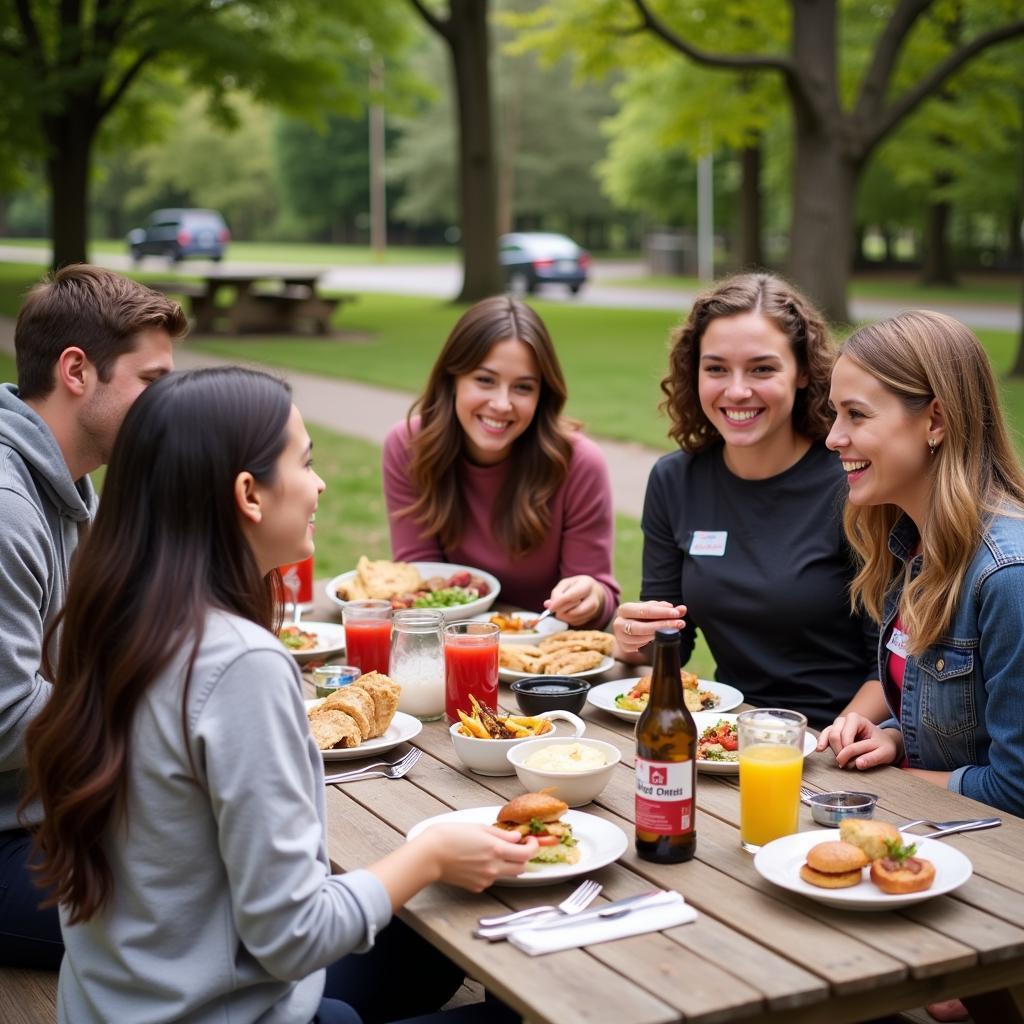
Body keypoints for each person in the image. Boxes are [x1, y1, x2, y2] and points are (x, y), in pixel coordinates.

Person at [22, 367, 537, 1023]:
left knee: (436, 936)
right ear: (249, 494)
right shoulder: (238, 663)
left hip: (123, 998)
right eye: (306, 462)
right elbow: (294, 936)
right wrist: (431, 855)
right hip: (223, 1009)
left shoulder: (104, 623)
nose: (320, 484)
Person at [818, 310, 1024, 1024]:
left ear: (933, 420)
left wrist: (894, 787)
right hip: (942, 862)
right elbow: (964, 717)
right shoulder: (913, 547)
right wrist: (899, 737)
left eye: (854, 415)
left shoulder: (1007, 576)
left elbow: (1018, 786)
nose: (832, 437)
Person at [0, 265, 183, 968]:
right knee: (207, 903)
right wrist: (144, 714)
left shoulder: (72, 485)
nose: (166, 407)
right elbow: (5, 717)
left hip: (52, 812)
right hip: (11, 840)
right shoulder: (11, 511)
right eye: (152, 382)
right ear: (77, 371)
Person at [613, 274, 879, 728]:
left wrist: (835, 736)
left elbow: (891, 662)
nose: (736, 391)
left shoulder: (851, 482)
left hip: (841, 740)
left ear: (803, 373)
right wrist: (630, 638)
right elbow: (669, 645)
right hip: (731, 732)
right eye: (716, 368)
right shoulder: (675, 480)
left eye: (762, 369)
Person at [383, 295, 619, 627]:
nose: (502, 404)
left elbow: (599, 597)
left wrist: (590, 597)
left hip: (542, 652)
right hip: (448, 643)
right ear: (452, 379)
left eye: (523, 387)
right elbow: (419, 580)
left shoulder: (579, 464)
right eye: (485, 380)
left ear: (542, 396)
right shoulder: (408, 446)